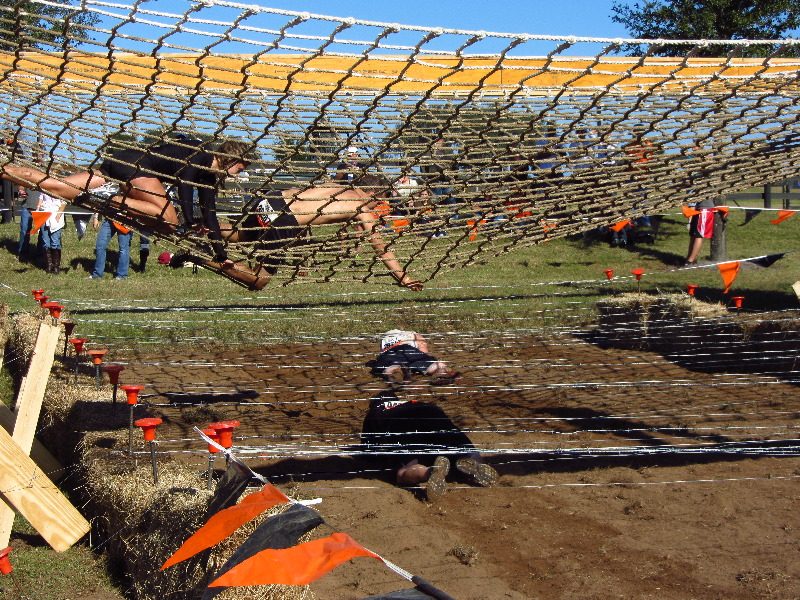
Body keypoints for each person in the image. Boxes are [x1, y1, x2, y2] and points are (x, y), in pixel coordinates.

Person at [1, 138, 252, 252]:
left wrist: (222, 254)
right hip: (136, 166)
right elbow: (185, 184)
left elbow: (210, 215)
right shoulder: (203, 156)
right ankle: (109, 201)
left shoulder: (208, 177)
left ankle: (5, 170)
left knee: (56, 186)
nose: (239, 174)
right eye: (241, 168)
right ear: (233, 157)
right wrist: (190, 221)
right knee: (169, 220)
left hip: (119, 163)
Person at [206, 175, 425, 291]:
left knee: (241, 235)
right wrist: (404, 277)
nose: (379, 204)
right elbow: (381, 247)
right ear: (372, 193)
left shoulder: (335, 185)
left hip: (271, 199)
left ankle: (198, 225)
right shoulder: (361, 206)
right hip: (284, 220)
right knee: (259, 281)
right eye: (379, 199)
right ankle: (203, 255)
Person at [369, 329, 460, 387]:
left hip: (389, 354)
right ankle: (442, 370)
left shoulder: (385, 340)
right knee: (431, 363)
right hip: (408, 350)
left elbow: (381, 355)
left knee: (392, 365)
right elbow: (423, 348)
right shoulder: (412, 335)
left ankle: (395, 374)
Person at [88, 213, 132, 280]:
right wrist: (95, 217)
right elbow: (101, 203)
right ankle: (97, 274)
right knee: (100, 246)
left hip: (125, 220)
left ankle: (122, 275)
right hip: (110, 218)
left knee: (123, 249)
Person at [35, 192, 67, 274]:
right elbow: (41, 198)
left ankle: (56, 267)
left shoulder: (59, 188)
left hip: (55, 215)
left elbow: (64, 202)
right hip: (44, 214)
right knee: (45, 241)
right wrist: (38, 210)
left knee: (55, 241)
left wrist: (59, 214)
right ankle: (49, 266)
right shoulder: (43, 188)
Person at [683, 197, 718, 267]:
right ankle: (688, 258)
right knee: (693, 235)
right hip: (698, 209)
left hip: (705, 209)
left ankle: (690, 261)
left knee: (698, 235)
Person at [16, 187, 39, 261]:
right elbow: (21, 183)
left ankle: (41, 254)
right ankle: (23, 252)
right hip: (27, 206)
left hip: (42, 207)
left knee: (43, 231)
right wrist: (20, 190)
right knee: (24, 229)